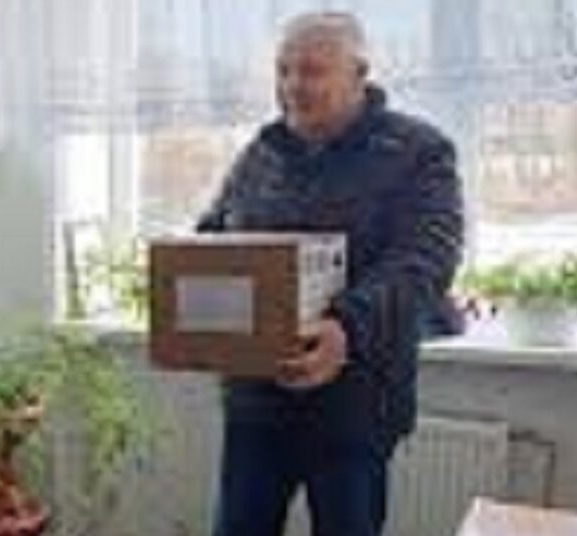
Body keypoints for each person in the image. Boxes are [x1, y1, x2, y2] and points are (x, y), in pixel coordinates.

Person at [196, 11, 463, 536]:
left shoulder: (418, 151)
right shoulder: (261, 152)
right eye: (283, 70)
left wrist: (346, 326)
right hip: (256, 402)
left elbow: (425, 260)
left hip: (355, 408)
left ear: (359, 75)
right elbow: (214, 235)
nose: (293, 85)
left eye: (313, 71)